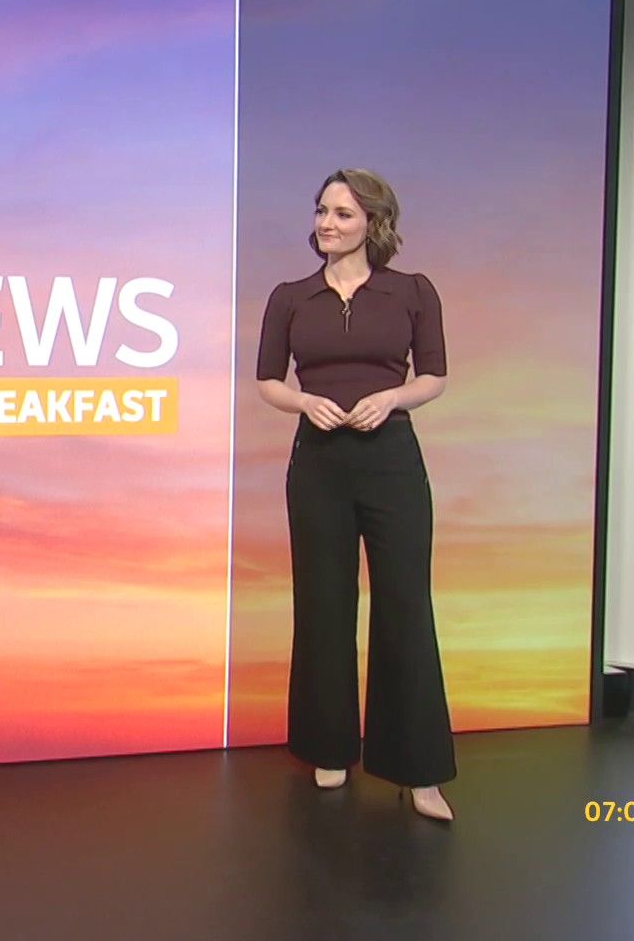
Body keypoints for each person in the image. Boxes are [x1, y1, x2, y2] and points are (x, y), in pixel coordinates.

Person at [253, 168, 457, 823]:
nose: (327, 223)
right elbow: (267, 380)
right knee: (323, 604)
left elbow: (434, 376)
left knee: (405, 606)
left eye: (342, 214)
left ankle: (419, 772)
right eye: (321, 211)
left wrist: (392, 397)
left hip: (391, 461)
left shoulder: (412, 291)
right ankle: (329, 747)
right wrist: (303, 402)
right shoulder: (291, 297)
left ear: (373, 222)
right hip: (318, 464)